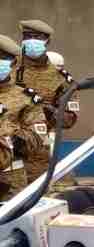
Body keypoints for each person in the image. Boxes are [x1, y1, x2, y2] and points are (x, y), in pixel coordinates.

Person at [16, 20, 79, 183]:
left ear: (47, 41)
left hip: (37, 161)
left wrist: (48, 110)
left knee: (36, 205)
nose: (31, 40)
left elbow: (69, 119)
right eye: (27, 36)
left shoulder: (60, 78)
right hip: (5, 154)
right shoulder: (8, 68)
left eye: (36, 37)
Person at [0, 35, 50, 199]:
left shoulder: (26, 98)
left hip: (9, 182)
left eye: (2, 58)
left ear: (13, 63)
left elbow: (37, 136)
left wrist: (8, 138)